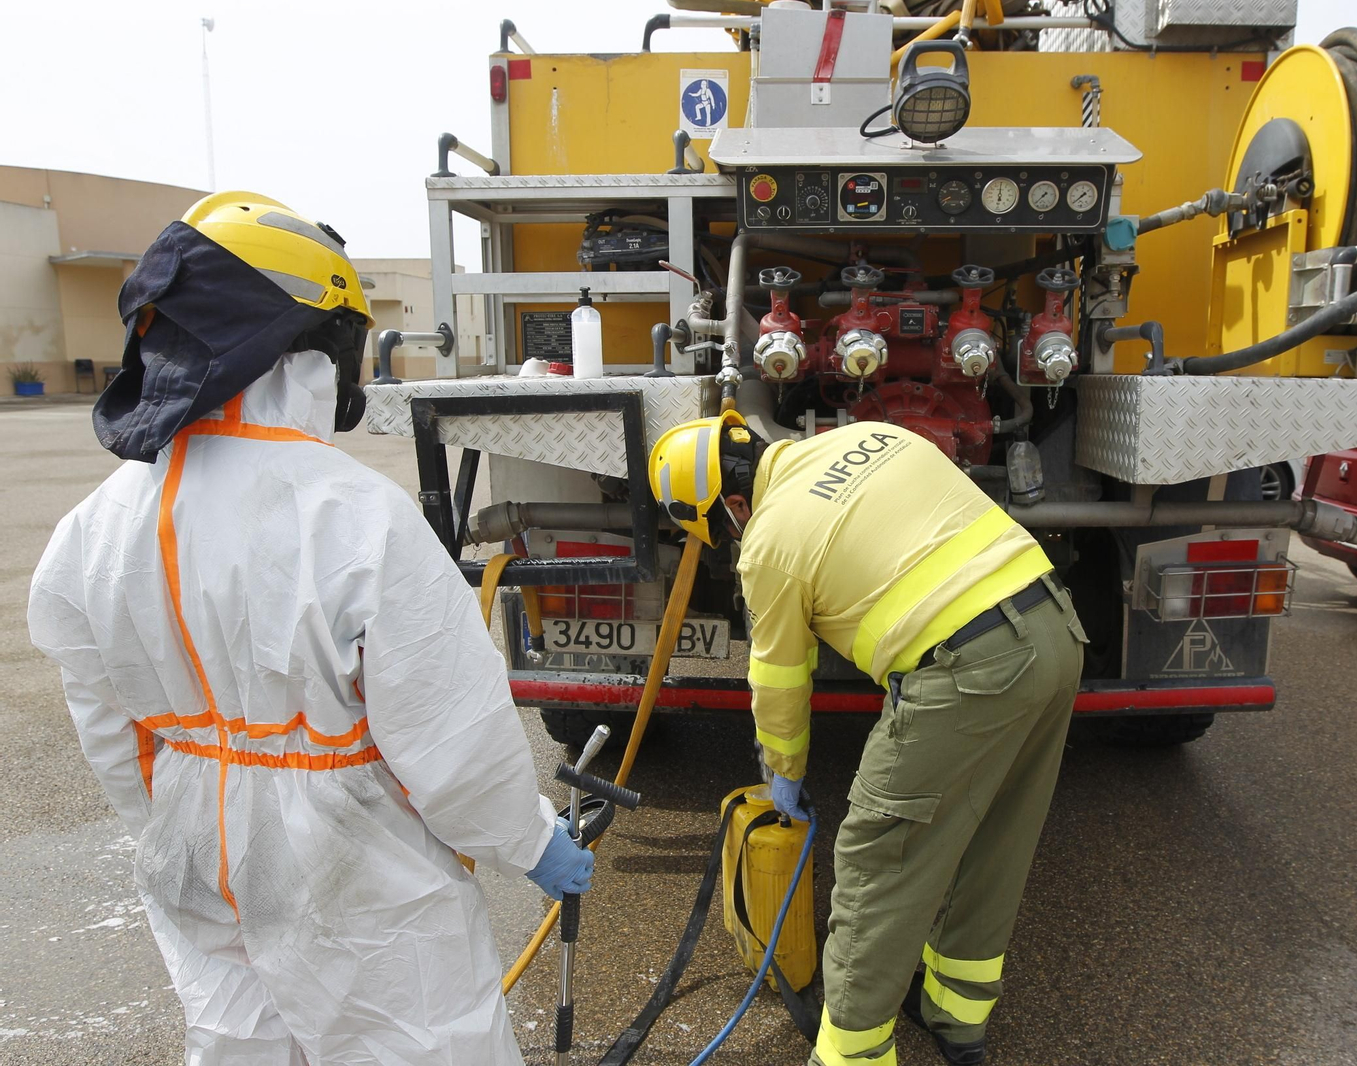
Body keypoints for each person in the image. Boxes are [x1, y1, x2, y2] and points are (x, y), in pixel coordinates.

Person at [27, 192, 592, 1066]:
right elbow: (447, 731)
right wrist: (528, 838)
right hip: (355, 864)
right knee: (420, 1046)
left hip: (195, 842)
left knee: (235, 1044)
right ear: (302, 355)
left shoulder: (92, 527)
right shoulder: (355, 517)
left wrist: (174, 814)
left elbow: (107, 722)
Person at [649, 412, 1087, 1066]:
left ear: (733, 504)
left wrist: (784, 773)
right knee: (998, 836)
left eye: (718, 531)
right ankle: (956, 1014)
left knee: (874, 859)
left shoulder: (767, 540)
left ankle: (850, 1053)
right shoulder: (868, 435)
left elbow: (778, 678)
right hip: (1055, 628)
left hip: (966, 667)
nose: (729, 542)